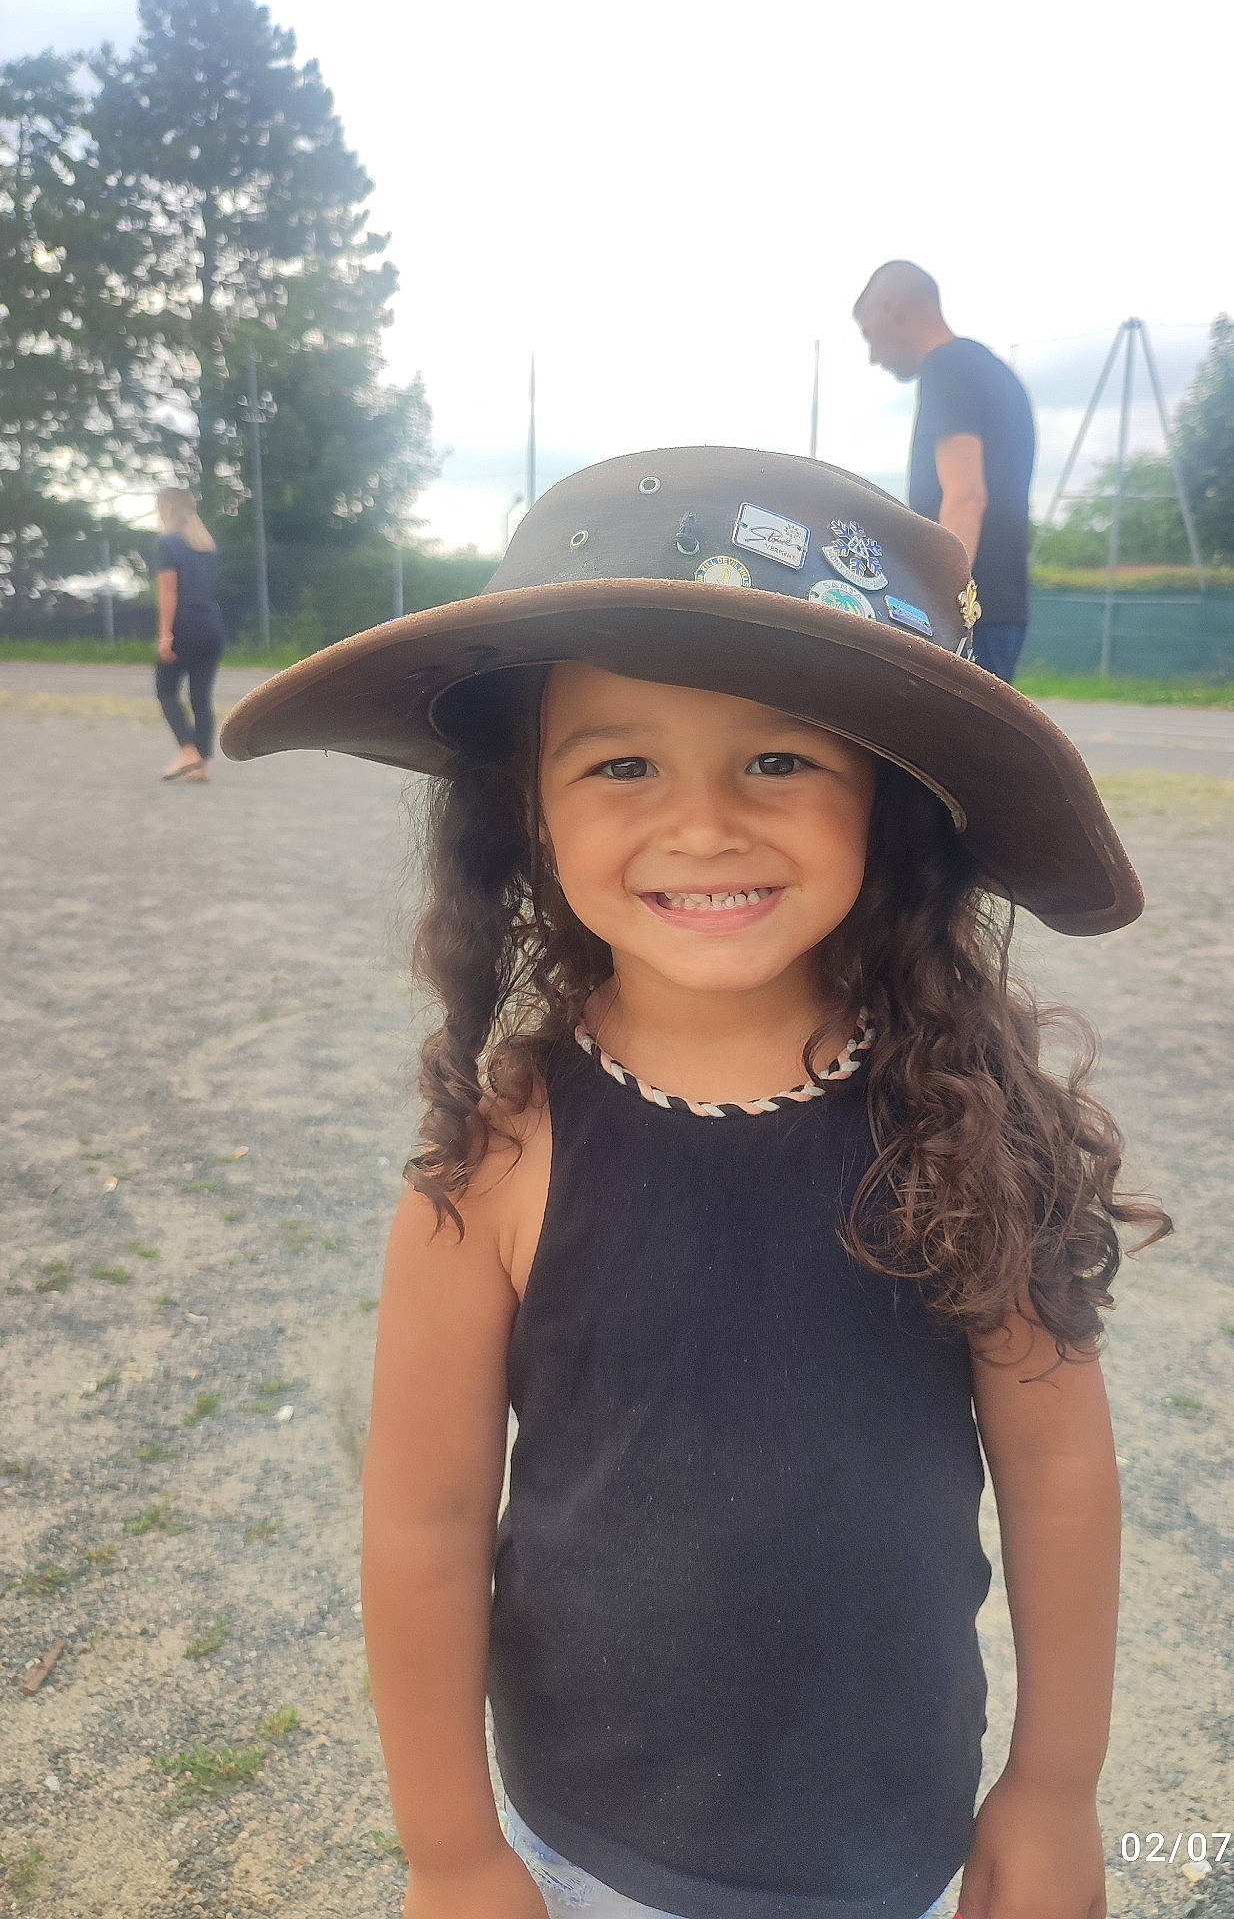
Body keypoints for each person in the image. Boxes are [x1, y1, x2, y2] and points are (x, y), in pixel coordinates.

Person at [220, 448, 1167, 1919]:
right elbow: (423, 1517)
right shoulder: (501, 1155)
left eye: (780, 757)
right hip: (582, 1853)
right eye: (621, 761)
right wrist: (452, 1852)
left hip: (896, 1848)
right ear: (527, 811)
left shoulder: (969, 1126)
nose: (705, 821)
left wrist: (1052, 1791)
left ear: (891, 803)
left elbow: (1058, 1473)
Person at [854, 262, 1036, 685]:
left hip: (967, 614)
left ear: (891, 307)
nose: (872, 355)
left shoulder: (947, 367)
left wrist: (937, 608)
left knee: (944, 749)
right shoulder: (992, 372)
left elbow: (966, 496)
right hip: (1001, 605)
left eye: (868, 334)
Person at [153, 488, 225, 782]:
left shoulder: (166, 544)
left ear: (167, 509)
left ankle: (188, 750)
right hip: (212, 626)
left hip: (184, 627)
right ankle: (202, 766)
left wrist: (165, 635)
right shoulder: (207, 545)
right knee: (201, 698)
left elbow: (169, 592)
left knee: (166, 690)